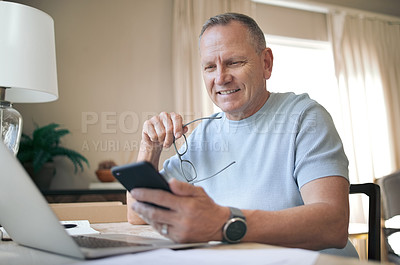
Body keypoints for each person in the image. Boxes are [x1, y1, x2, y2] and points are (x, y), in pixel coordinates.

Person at [127, 12, 357, 256]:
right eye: (209, 67)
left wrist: (224, 223)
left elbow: (333, 225)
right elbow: (136, 214)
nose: (221, 78)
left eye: (234, 62)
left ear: (266, 63)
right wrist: (149, 148)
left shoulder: (304, 117)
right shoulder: (201, 134)